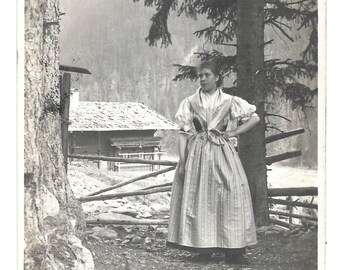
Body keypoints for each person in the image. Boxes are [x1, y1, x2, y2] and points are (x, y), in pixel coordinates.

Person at [166, 60, 259, 264]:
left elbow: (255, 118)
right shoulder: (190, 102)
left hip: (222, 152)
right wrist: (182, 162)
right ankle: (203, 248)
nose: (203, 79)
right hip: (197, 153)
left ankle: (233, 250)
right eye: (200, 76)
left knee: (230, 194)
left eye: (207, 75)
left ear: (217, 77)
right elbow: (183, 133)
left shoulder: (229, 100)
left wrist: (233, 131)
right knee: (200, 196)